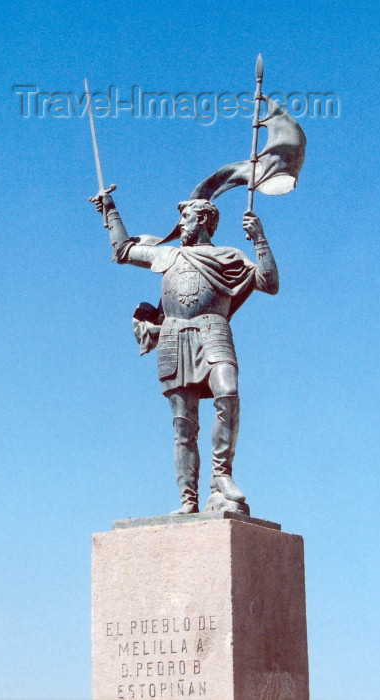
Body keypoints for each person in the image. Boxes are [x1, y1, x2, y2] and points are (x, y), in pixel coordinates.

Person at [92, 193, 279, 515]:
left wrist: (259, 238)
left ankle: (221, 476)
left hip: (212, 330)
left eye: (186, 219)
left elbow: (268, 281)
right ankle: (188, 499)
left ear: (203, 220)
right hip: (174, 335)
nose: (180, 226)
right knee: (183, 425)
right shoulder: (168, 256)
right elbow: (122, 251)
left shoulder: (228, 256)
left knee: (228, 392)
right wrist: (110, 211)